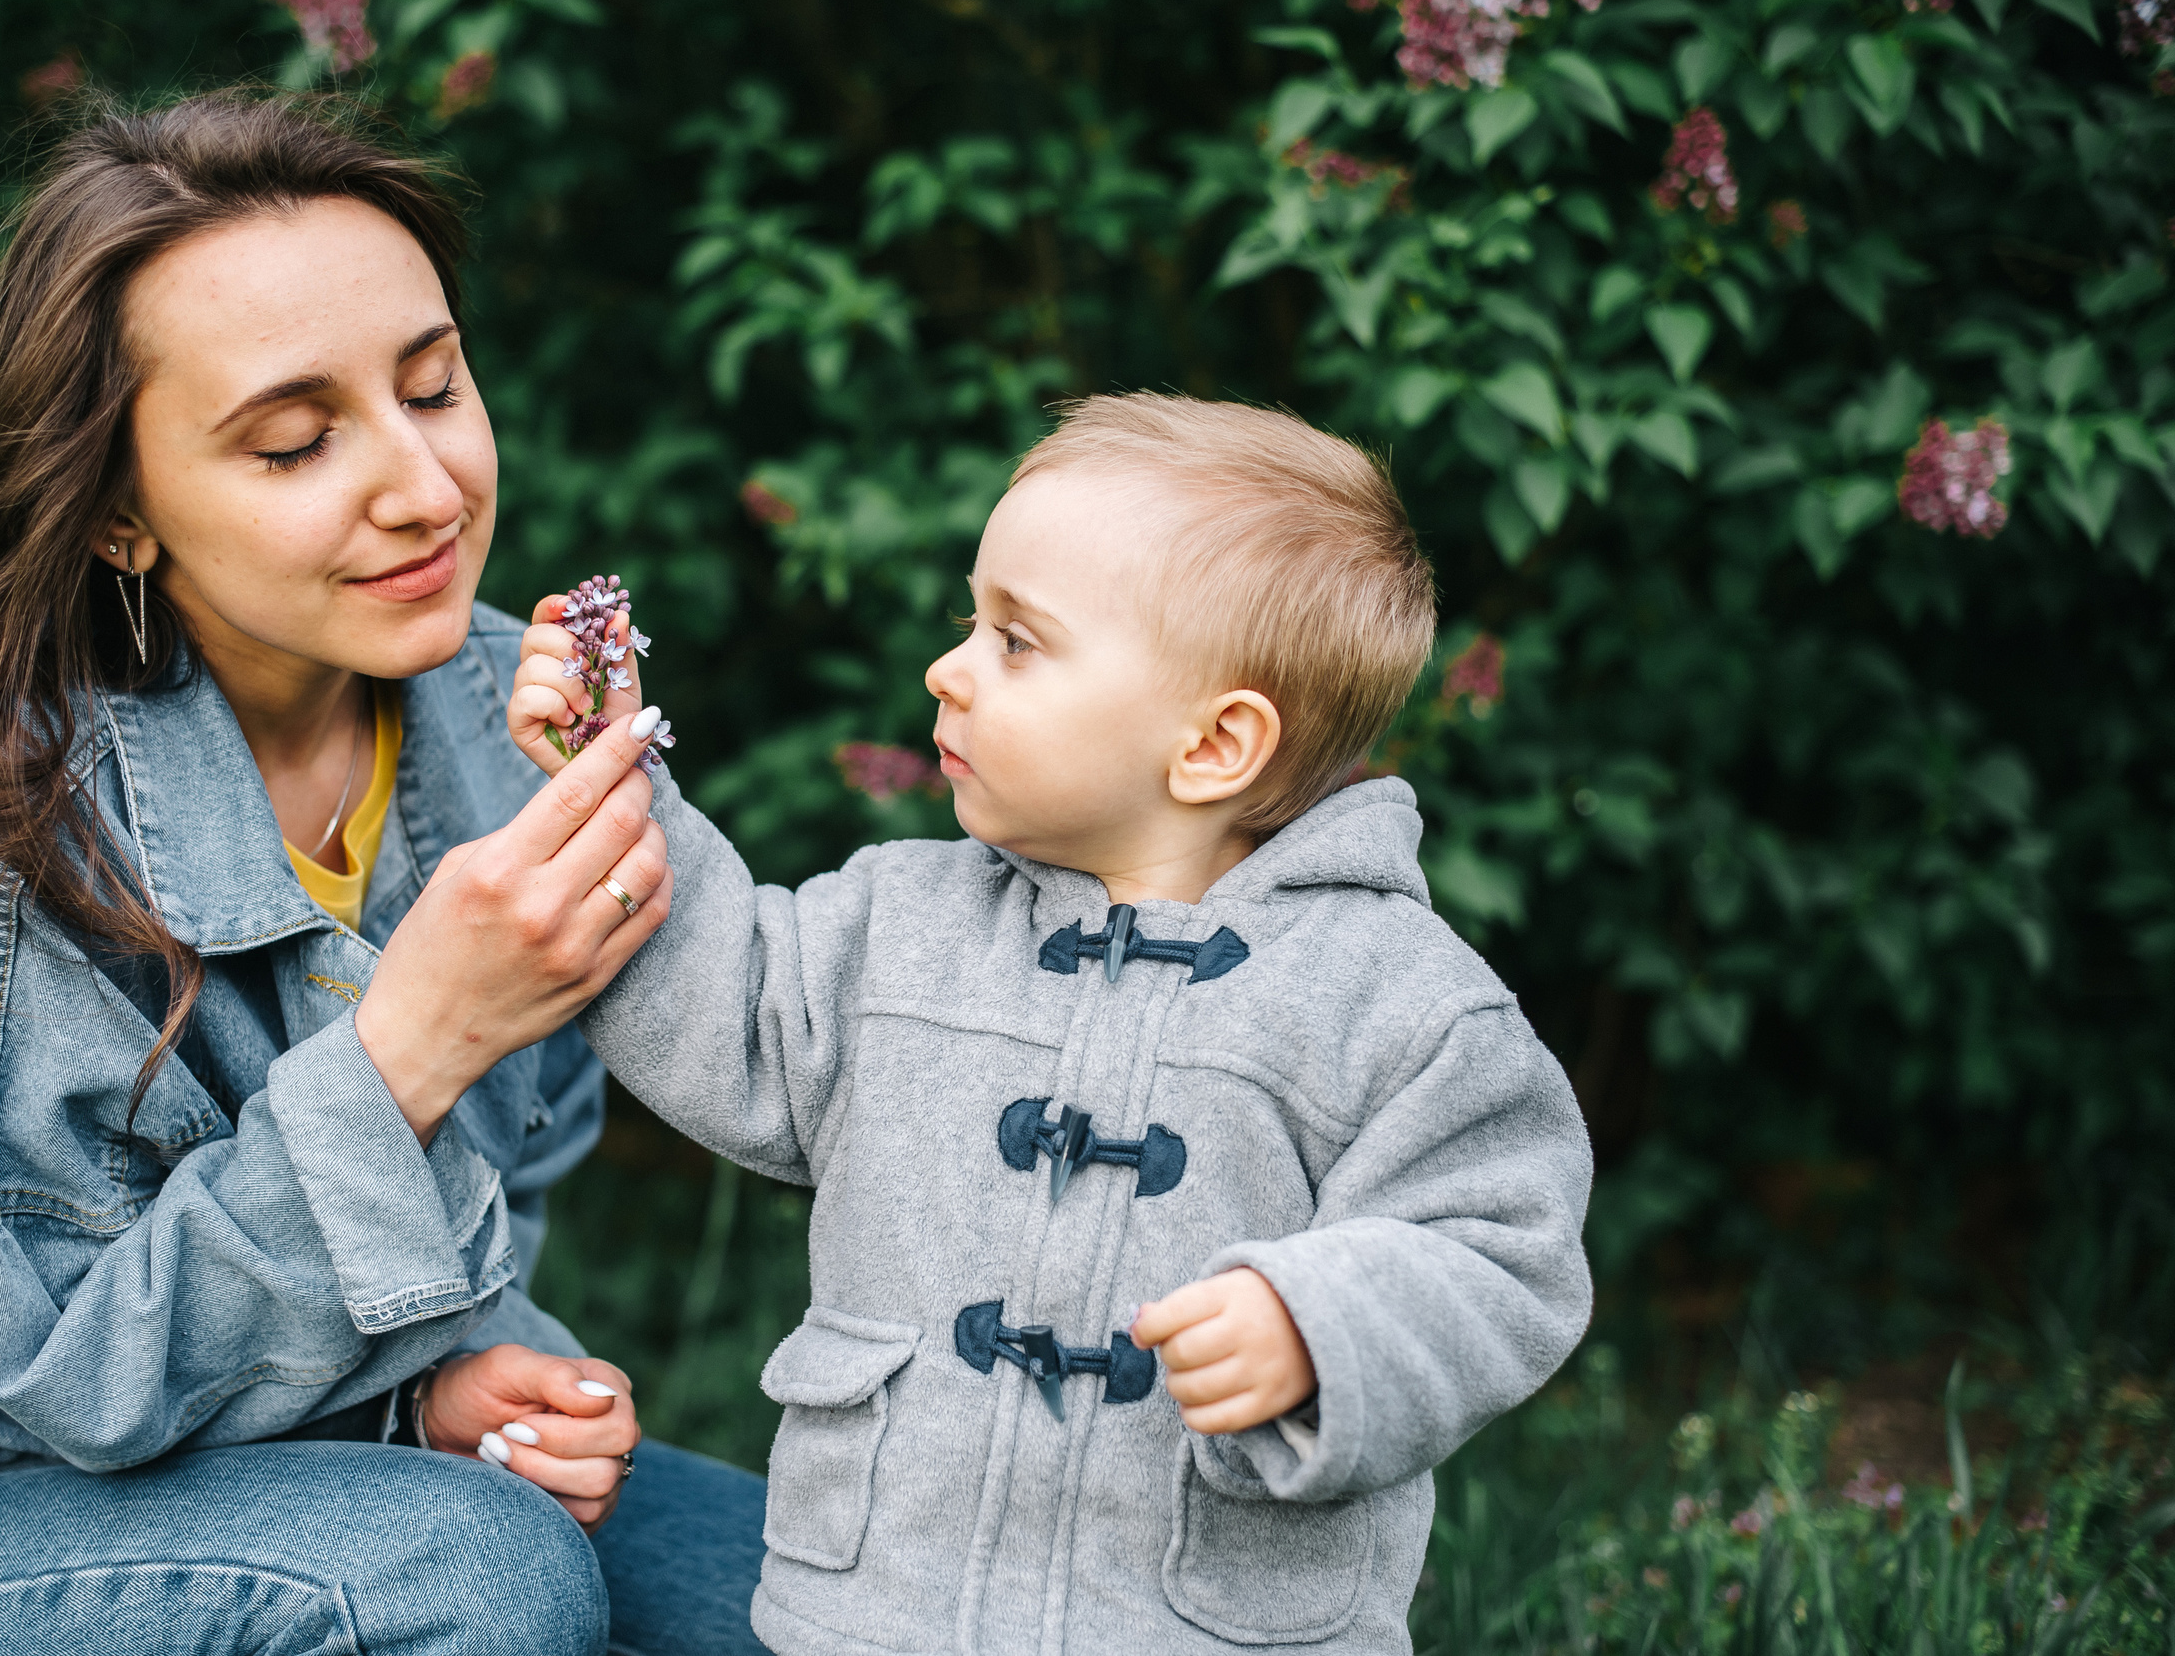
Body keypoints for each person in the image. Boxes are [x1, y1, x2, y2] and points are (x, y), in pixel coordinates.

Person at [0, 91, 764, 1656]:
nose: (428, 491)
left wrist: (461, 1381)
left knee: (820, 1590)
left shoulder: (499, 712)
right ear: (117, 511)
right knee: (470, 1579)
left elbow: (512, 1185)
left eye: (435, 388)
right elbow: (81, 1381)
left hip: (309, 1464)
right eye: (298, 440)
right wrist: (418, 1040)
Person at [507, 393, 1596, 1654]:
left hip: (1209, 1626)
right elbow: (724, 999)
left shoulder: (1394, 1000)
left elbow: (1499, 1242)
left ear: (1215, 743)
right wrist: (611, 783)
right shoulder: (899, 922)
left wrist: (1320, 1323)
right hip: (874, 1614)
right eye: (972, 618)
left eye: (1016, 640)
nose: (948, 665)